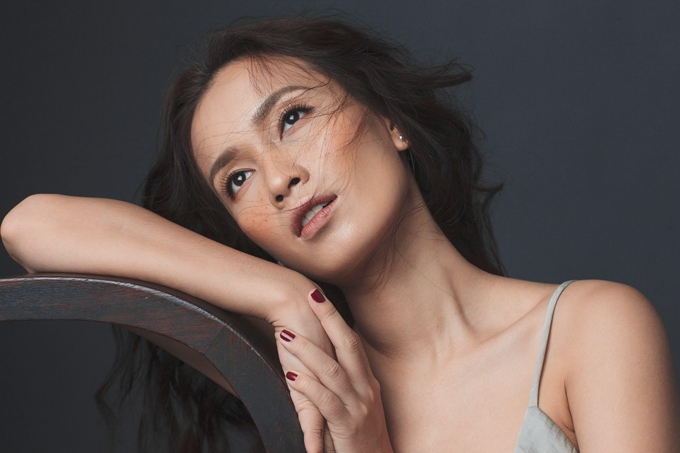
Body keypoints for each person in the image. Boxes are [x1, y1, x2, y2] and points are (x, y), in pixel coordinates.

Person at [1, 16, 678, 453]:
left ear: (391, 120)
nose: (278, 179)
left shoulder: (590, 330)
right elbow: (31, 227)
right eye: (237, 179)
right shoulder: (305, 369)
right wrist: (279, 292)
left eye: (293, 118)